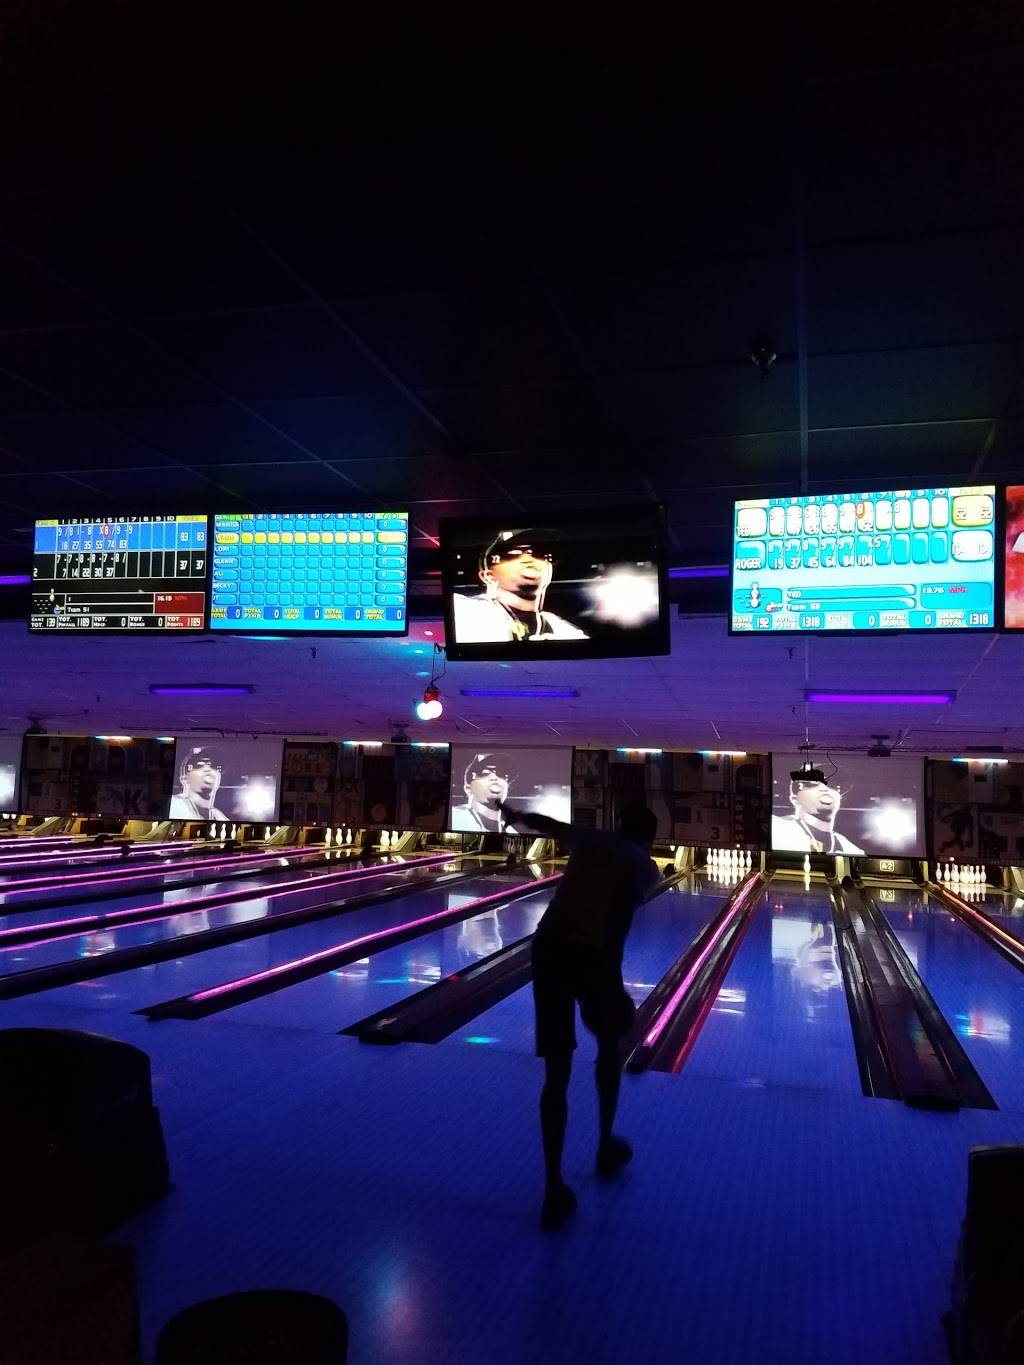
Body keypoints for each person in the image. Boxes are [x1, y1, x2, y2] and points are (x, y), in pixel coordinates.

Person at [501, 798, 661, 1229]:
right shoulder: (646, 868)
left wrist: (516, 815)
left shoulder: (592, 839)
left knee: (557, 1071)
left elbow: (547, 824)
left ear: (618, 824)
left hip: (549, 949)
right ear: (651, 838)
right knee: (608, 1047)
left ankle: (553, 1187)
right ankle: (605, 1145)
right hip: (593, 956)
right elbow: (616, 924)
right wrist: (611, 986)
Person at [451, 527, 588, 644]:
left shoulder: (565, 631)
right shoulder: (465, 610)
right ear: (488, 575)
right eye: (513, 554)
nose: (528, 559)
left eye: (538, 553)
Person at [771, 775, 864, 855]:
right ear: (794, 798)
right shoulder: (775, 827)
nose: (825, 789)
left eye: (833, 786)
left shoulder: (852, 850)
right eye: (812, 784)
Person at [450, 753, 521, 833]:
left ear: (507, 789)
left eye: (501, 774)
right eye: (485, 773)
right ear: (468, 789)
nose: (494, 777)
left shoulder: (512, 833)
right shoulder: (454, 818)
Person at [168, 747, 228, 821]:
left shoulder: (220, 817)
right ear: (184, 777)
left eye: (214, 765)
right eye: (199, 765)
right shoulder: (173, 805)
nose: (208, 769)